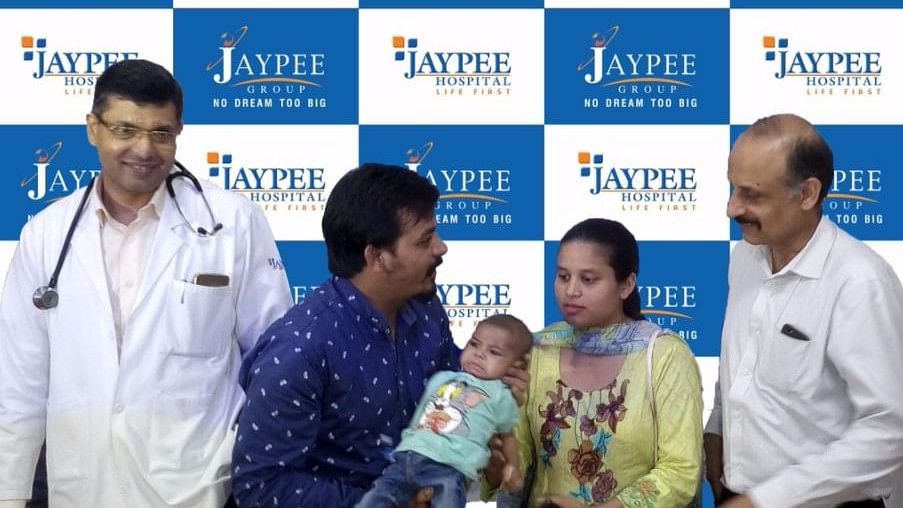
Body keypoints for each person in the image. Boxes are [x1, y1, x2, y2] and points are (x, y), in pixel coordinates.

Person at [0, 59, 292, 507]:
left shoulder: (231, 221)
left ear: (179, 132)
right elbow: (18, 387)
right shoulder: (45, 235)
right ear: (92, 129)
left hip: (200, 490)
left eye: (161, 134)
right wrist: (10, 497)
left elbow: (277, 363)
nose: (144, 149)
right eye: (124, 130)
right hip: (83, 489)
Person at [232, 162, 526, 507]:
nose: (441, 248)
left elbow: (452, 394)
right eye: (424, 240)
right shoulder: (299, 349)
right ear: (377, 257)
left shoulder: (425, 307)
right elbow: (261, 485)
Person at [704, 113, 903, 508]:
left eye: (751, 194)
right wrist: (716, 435)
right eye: (732, 188)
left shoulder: (861, 282)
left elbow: (890, 431)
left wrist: (767, 499)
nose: (731, 208)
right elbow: (742, 369)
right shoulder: (743, 257)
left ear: (808, 194)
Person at [485, 218, 703, 508]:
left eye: (588, 279)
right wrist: (495, 459)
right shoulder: (538, 349)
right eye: (563, 276)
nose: (571, 291)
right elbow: (519, 464)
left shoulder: (664, 356)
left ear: (626, 284)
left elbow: (680, 470)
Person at [357, 314, 533, 508]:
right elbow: (420, 414)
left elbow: (507, 436)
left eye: (494, 352)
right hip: (407, 457)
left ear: (515, 366)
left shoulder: (501, 395)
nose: (479, 353)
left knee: (448, 499)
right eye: (474, 344)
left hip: (448, 467)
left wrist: (513, 466)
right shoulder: (442, 378)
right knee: (376, 496)